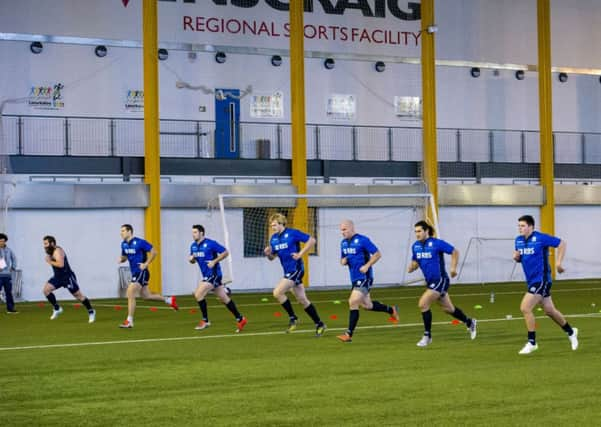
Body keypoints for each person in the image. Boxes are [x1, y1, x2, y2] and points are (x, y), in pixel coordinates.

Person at [513, 214, 578, 354]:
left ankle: (532, 342)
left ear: (531, 226)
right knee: (549, 310)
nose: (520, 228)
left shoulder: (540, 238)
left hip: (542, 280)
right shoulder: (518, 240)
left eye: (522, 226)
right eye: (519, 226)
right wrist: (516, 258)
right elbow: (520, 257)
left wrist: (558, 263)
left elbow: (561, 243)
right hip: (531, 280)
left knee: (525, 307)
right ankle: (571, 332)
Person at [407, 220, 477, 347]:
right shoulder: (415, 246)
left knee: (423, 303)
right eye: (415, 232)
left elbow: (454, 252)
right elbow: (416, 261)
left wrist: (453, 268)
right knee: (448, 309)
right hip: (430, 282)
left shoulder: (436, 243)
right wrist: (412, 267)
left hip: (440, 280)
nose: (417, 234)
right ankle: (469, 322)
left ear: (426, 231)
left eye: (419, 231)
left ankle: (427, 336)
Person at [336, 220, 399, 343]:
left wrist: (367, 266)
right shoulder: (343, 243)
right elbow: (342, 259)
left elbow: (377, 254)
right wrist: (343, 261)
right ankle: (391, 310)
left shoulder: (363, 240)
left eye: (344, 229)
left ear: (351, 228)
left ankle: (348, 334)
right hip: (354, 278)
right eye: (341, 230)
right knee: (367, 305)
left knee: (353, 301)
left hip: (365, 278)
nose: (342, 232)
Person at [264, 213, 326, 336]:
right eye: (271, 225)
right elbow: (273, 257)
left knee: (277, 292)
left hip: (296, 269)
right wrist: (268, 254)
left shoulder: (292, 233)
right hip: (287, 271)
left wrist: (300, 254)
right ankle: (319, 323)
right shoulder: (274, 239)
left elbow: (312, 240)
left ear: (281, 223)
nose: (273, 227)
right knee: (302, 300)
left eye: (275, 225)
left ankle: (293, 318)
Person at [118, 224, 178, 328]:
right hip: (135, 272)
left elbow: (154, 252)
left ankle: (129, 321)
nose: (121, 233)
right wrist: (121, 259)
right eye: (121, 231)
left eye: (123, 231)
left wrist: (146, 263)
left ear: (129, 231)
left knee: (130, 292)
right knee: (146, 296)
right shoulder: (123, 244)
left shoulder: (140, 242)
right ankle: (169, 300)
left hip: (141, 271)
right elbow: (124, 257)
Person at [189, 224, 247, 332]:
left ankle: (205, 321)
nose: (193, 234)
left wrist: (214, 261)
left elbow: (225, 252)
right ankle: (240, 319)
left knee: (198, 294)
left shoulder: (211, 243)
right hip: (206, 275)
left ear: (201, 233)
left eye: (195, 232)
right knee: (224, 298)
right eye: (192, 232)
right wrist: (191, 259)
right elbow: (193, 260)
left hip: (214, 274)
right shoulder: (193, 246)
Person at [42, 236, 95, 323]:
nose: (44, 246)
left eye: (46, 244)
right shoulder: (50, 252)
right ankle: (57, 308)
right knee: (46, 290)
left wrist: (49, 261)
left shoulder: (58, 251)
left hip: (67, 277)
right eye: (44, 244)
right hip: (57, 277)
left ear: (52, 243)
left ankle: (91, 311)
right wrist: (50, 259)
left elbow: (60, 265)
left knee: (78, 296)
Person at [0, 233, 18, 314]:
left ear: (5, 241)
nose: (1, 243)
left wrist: (13, 267)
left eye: (3, 241)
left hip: (7, 275)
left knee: (8, 292)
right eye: (0, 241)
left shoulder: (9, 250)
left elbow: (14, 259)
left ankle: (10, 309)